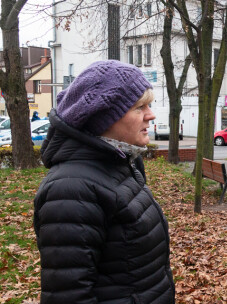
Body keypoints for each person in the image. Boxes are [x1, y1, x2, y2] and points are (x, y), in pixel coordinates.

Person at [33, 60, 175, 303]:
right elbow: (69, 295)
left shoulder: (120, 164)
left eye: (149, 105)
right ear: (103, 118)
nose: (151, 115)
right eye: (140, 107)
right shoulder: (71, 190)